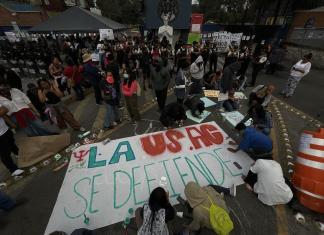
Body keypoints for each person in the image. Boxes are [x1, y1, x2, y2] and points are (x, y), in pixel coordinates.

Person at [0, 105, 24, 176]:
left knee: (12, 144)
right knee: (4, 153)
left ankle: (20, 156)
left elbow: (5, 109)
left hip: (5, 129)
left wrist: (10, 123)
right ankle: (13, 170)